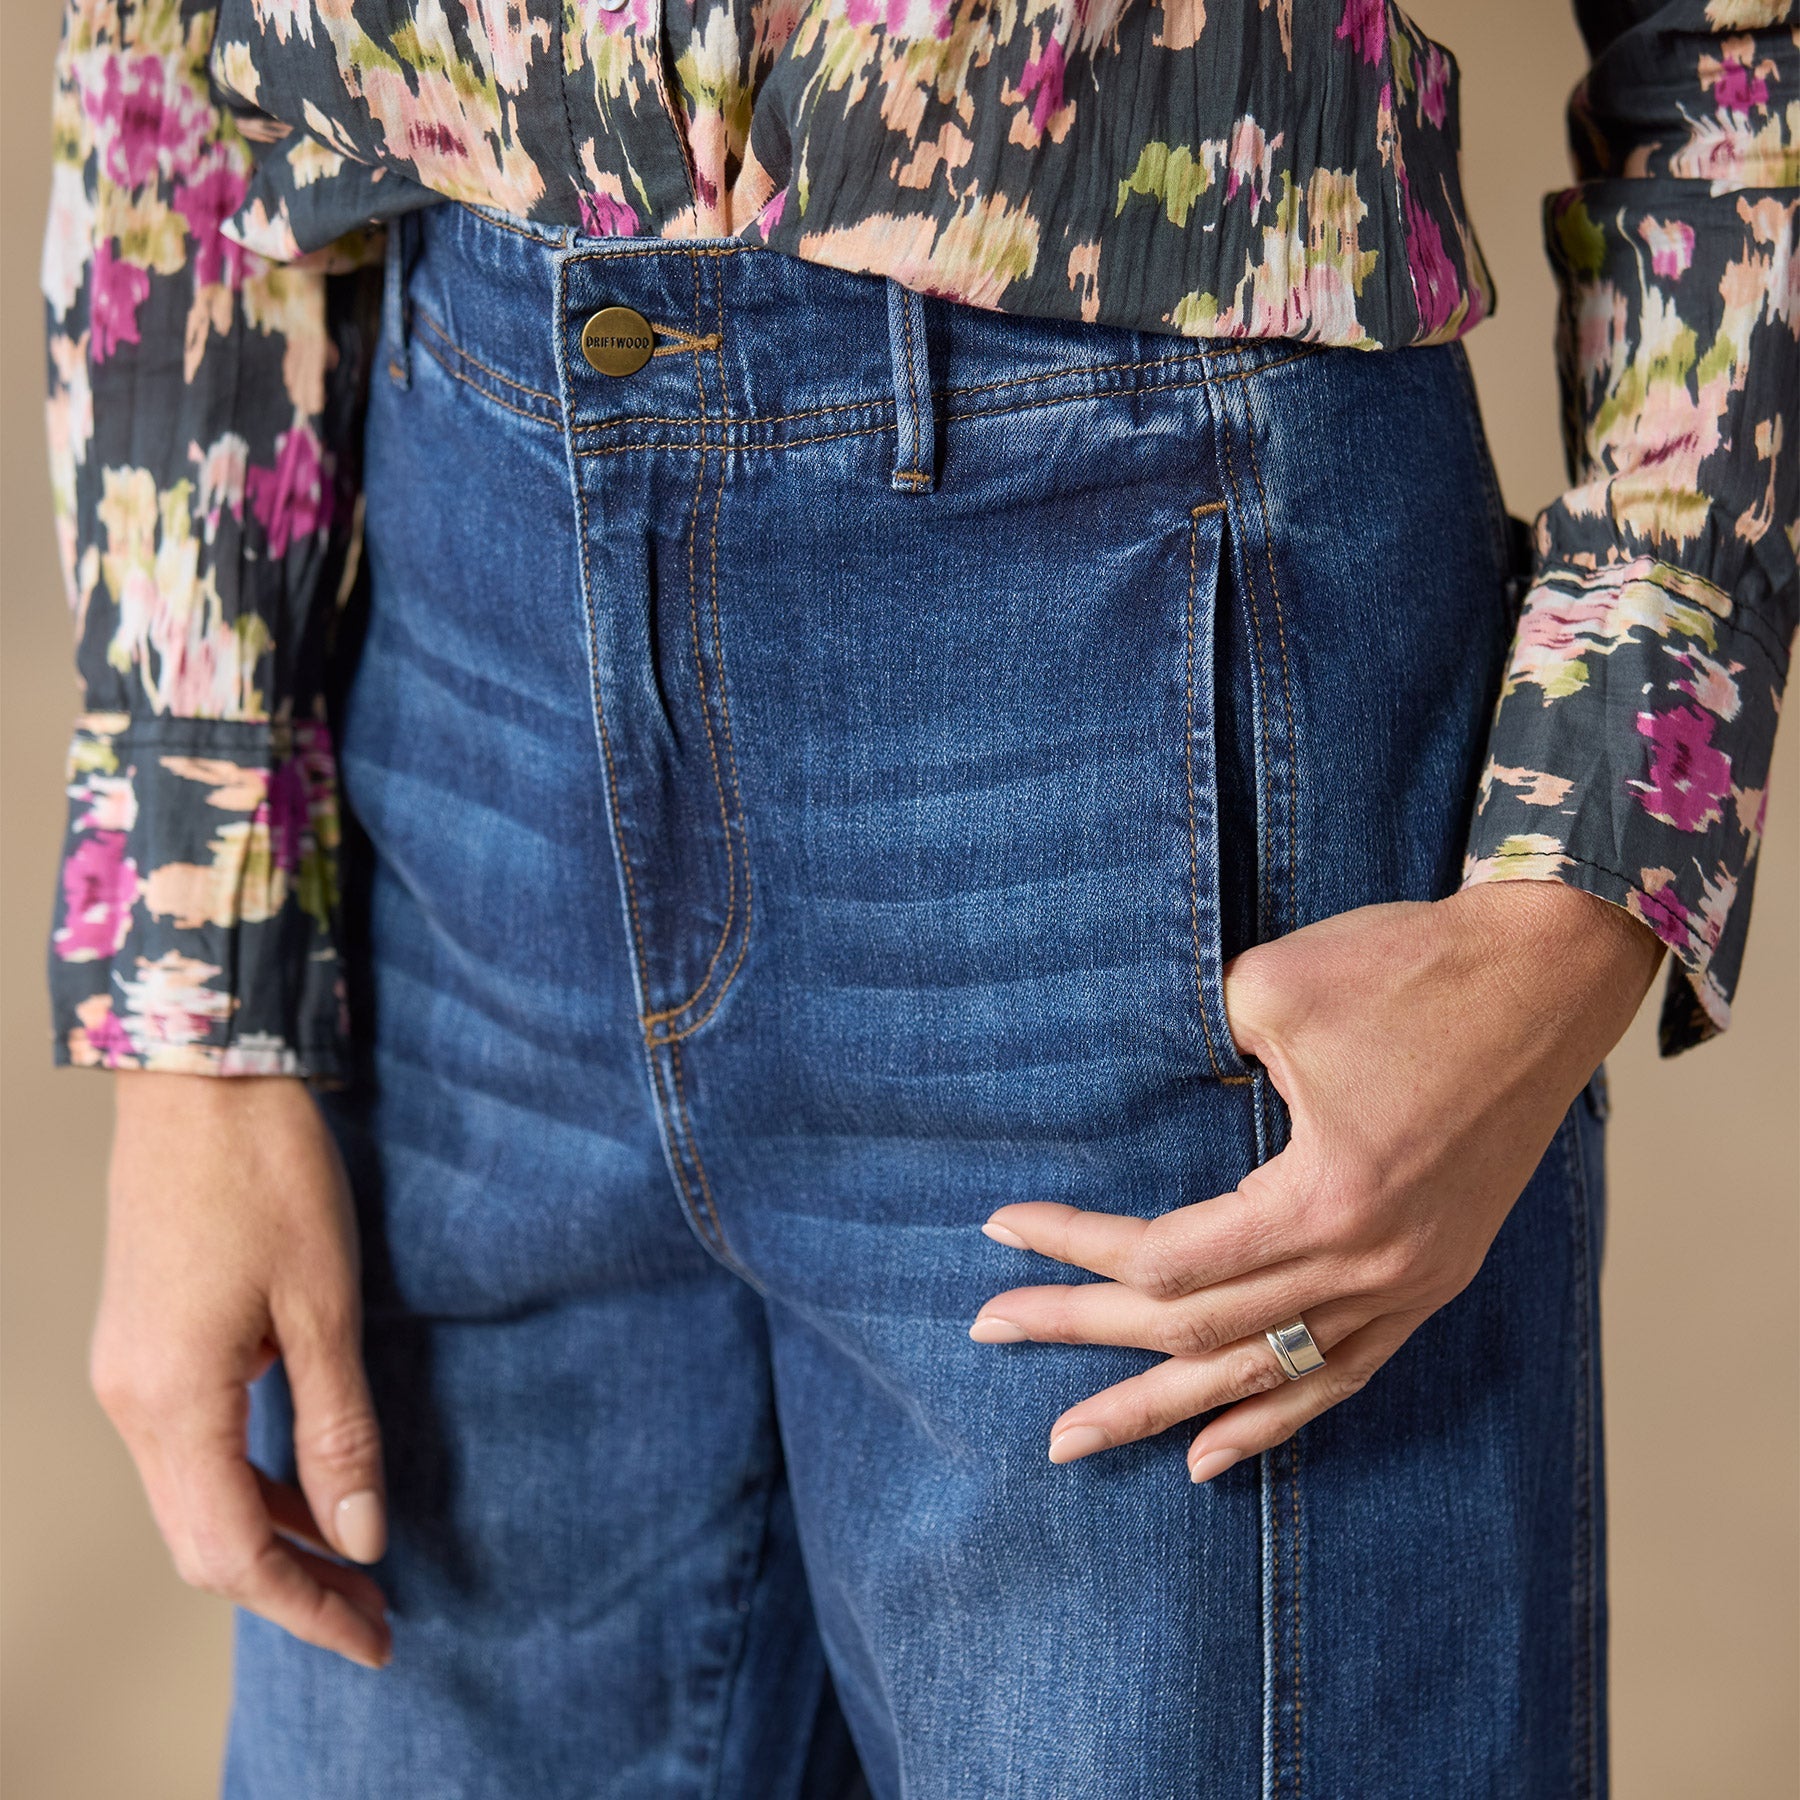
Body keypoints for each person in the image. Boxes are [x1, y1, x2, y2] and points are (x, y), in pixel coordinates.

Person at [39, 0, 1795, 1792]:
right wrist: (192, 990)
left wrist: (1592, 870)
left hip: (1153, 652)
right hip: (458, 694)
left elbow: (1738, 46)